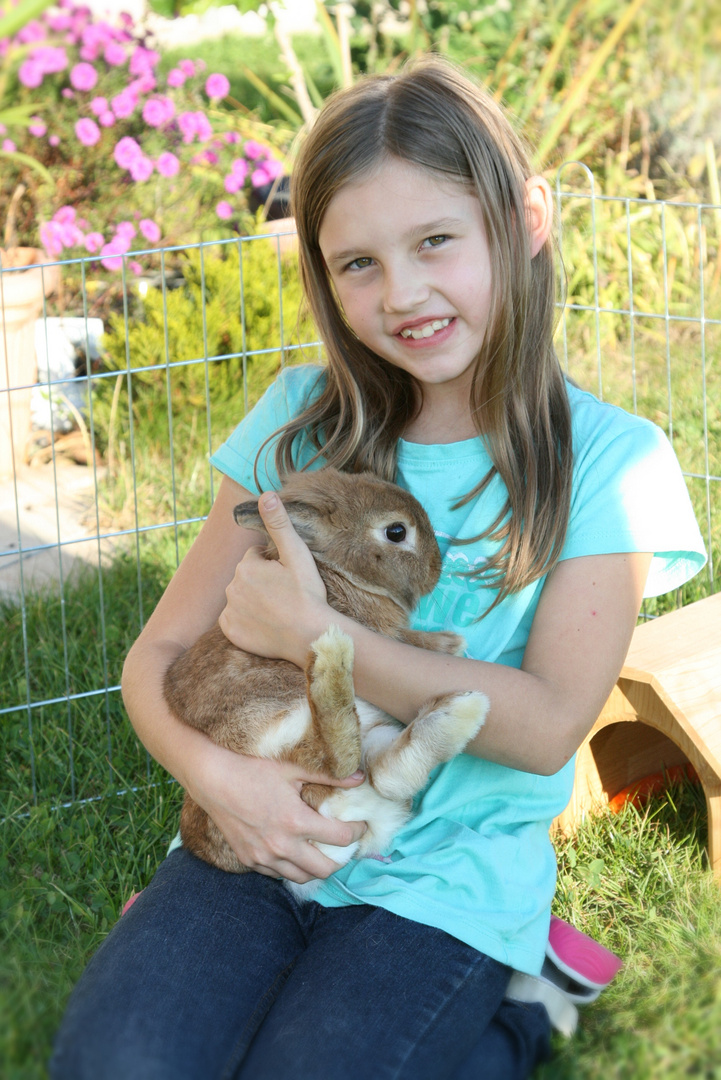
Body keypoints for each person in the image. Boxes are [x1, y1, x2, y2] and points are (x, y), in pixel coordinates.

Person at [51, 57, 706, 1080]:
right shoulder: (295, 428)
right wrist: (219, 780)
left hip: (439, 880)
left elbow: (541, 731)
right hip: (253, 838)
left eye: (435, 242)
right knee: (121, 1064)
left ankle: (519, 1002)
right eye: (357, 263)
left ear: (524, 219)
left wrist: (321, 640)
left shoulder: (612, 464)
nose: (402, 293)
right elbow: (157, 656)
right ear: (320, 271)